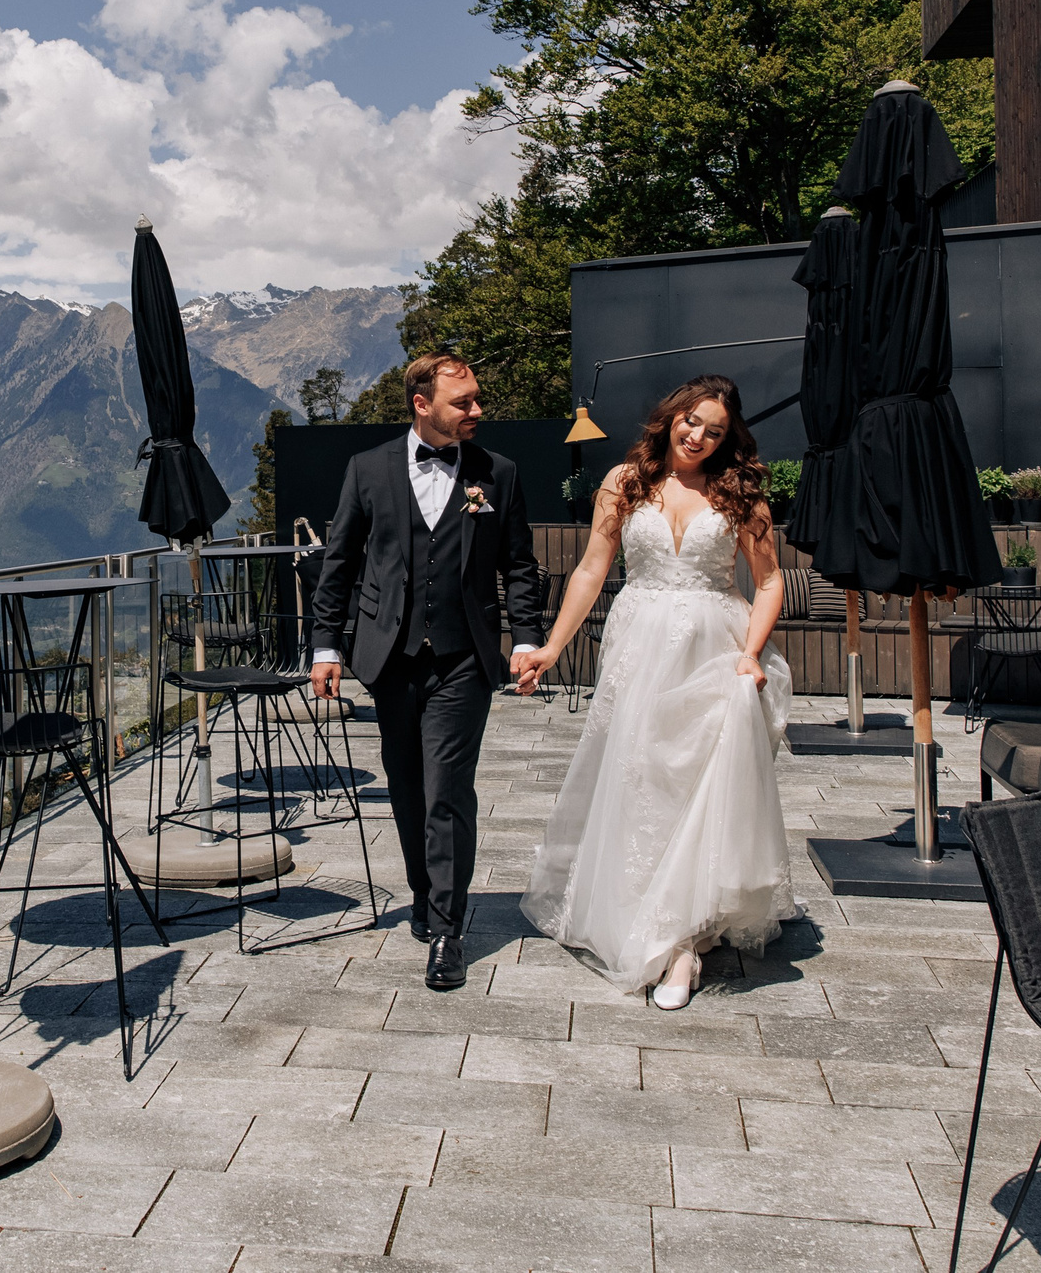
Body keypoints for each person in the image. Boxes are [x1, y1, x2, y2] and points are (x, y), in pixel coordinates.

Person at [514, 375, 798, 1010]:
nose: (698, 437)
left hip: (714, 651)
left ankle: (682, 943)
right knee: (641, 781)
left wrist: (751, 654)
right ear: (671, 417)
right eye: (691, 421)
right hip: (638, 650)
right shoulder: (624, 482)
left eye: (715, 431)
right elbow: (592, 568)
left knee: (698, 785)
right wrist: (552, 647)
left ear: (728, 439)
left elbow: (770, 581)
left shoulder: (740, 494)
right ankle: (645, 912)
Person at [309, 351, 546, 991]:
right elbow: (339, 564)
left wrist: (527, 639)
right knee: (407, 788)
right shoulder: (367, 470)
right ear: (422, 403)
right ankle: (423, 891)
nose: (476, 409)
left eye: (475, 398)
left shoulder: (498, 473)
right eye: (462, 401)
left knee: (447, 789)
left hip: (464, 658)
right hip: (390, 658)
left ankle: (447, 928)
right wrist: (326, 647)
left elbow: (519, 566)